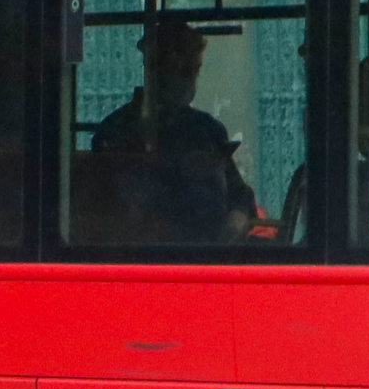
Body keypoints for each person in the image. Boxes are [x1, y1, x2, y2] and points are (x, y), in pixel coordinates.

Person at [91, 20, 260, 243]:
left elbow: (239, 193)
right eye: (182, 69)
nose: (190, 80)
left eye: (195, 71)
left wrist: (237, 216)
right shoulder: (116, 131)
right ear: (154, 68)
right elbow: (105, 208)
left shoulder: (207, 130)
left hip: (211, 256)